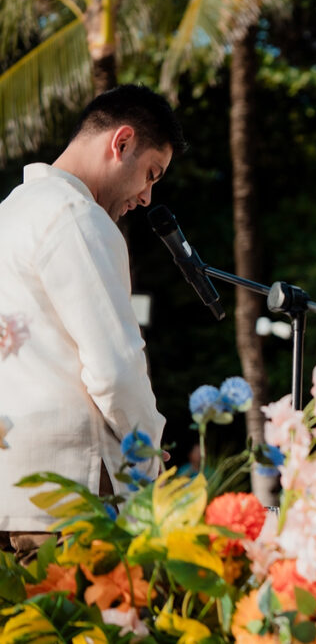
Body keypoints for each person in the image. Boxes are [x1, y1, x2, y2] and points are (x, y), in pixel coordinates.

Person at [0, 84, 185, 557]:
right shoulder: (77, 216)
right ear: (121, 142)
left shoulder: (10, 213)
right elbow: (116, 370)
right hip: (64, 498)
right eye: (150, 174)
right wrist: (148, 453)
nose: (147, 197)